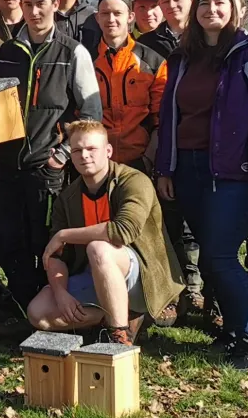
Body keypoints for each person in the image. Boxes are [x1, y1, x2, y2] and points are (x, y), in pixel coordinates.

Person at [153, 0, 248, 371]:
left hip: (232, 174)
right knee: (209, 258)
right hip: (188, 170)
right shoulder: (182, 58)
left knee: (222, 256)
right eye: (205, 3)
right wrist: (166, 166)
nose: (212, 9)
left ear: (234, 9)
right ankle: (230, 332)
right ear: (195, 11)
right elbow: (170, 116)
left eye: (220, 2)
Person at [0, 0, 102, 334]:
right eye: (27, 3)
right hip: (3, 164)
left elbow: (91, 113)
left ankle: (52, 314)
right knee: (8, 240)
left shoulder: (73, 52)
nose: (33, 10)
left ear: (54, 6)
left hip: (46, 168)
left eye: (41, 2)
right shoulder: (7, 51)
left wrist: (61, 153)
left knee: (45, 242)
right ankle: (23, 312)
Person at [27, 121, 183, 345]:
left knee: (99, 248)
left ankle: (119, 337)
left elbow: (122, 231)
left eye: (92, 149)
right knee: (38, 313)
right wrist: (60, 293)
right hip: (97, 275)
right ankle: (118, 316)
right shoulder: (68, 197)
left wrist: (64, 235)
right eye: (77, 150)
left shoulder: (134, 181)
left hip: (142, 277)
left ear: (108, 151)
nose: (85, 156)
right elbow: (56, 255)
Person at [138, 0, 203, 316]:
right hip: (166, 142)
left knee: (202, 225)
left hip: (201, 141)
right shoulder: (149, 45)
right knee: (170, 219)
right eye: (165, 2)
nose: (171, 6)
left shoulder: (208, 37)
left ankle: (200, 289)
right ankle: (178, 289)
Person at [92, 0, 167, 169]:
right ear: (97, 18)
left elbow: (161, 118)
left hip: (140, 159)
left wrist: (149, 159)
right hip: (97, 160)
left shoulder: (153, 61)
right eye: (105, 13)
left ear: (130, 16)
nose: (111, 19)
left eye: (117, 13)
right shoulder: (85, 59)